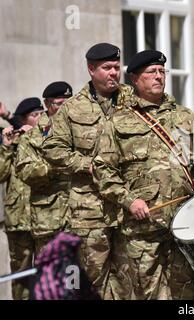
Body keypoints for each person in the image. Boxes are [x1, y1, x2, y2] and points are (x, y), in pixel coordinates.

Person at [92, 49, 194, 300]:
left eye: (162, 71)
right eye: (152, 72)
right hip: (143, 230)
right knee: (149, 295)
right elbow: (103, 170)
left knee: (186, 295)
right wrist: (130, 200)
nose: (159, 77)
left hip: (184, 225)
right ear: (135, 79)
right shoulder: (118, 121)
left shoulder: (186, 117)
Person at [41, 43, 134, 300]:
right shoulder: (73, 108)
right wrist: (86, 164)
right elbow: (52, 148)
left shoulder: (134, 101)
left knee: (130, 280)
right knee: (92, 280)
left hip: (129, 208)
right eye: (106, 68)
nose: (113, 73)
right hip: (90, 210)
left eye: (116, 67)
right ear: (91, 69)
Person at [15, 82, 73, 254]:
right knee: (52, 276)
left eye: (69, 103)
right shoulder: (33, 137)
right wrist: (55, 165)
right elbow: (25, 171)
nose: (65, 108)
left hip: (83, 218)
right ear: (47, 104)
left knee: (82, 277)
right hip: (50, 221)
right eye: (60, 104)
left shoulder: (80, 131)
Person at [0, 97, 45, 299]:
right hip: (18, 220)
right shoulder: (13, 143)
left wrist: (34, 139)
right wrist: (7, 147)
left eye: (41, 114)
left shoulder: (47, 138)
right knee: (21, 273)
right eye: (35, 115)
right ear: (24, 119)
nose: (39, 119)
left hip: (45, 218)